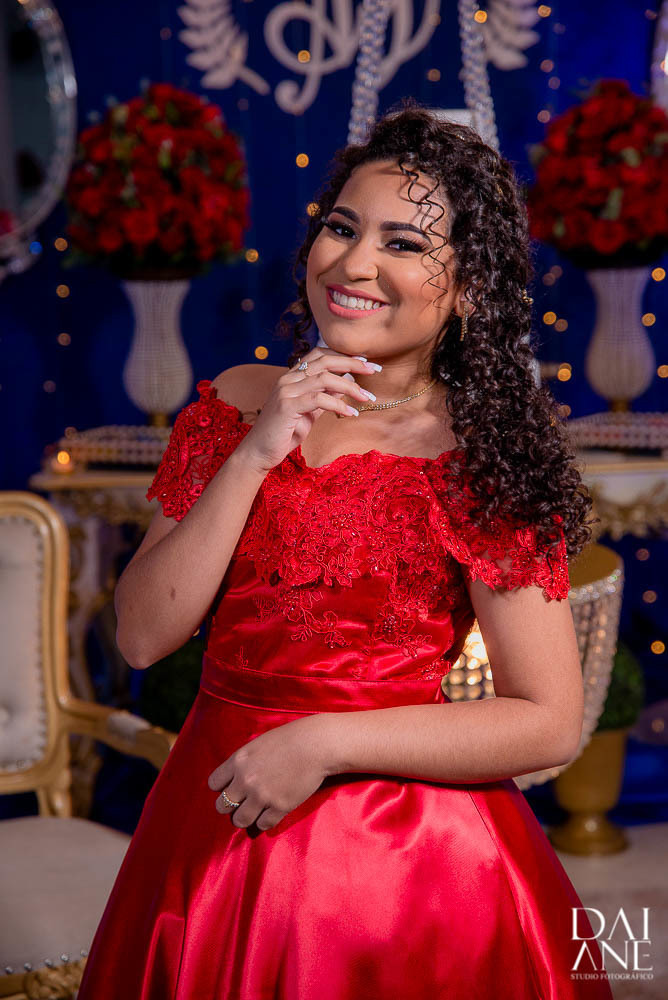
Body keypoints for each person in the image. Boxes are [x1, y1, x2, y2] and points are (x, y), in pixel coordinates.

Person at [77, 100, 614, 999]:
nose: (355, 263)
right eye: (342, 227)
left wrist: (323, 741)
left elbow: (549, 720)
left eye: (404, 243)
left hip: (402, 858)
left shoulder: (482, 455)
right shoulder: (235, 402)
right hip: (212, 817)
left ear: (468, 289)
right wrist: (256, 454)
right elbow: (140, 637)